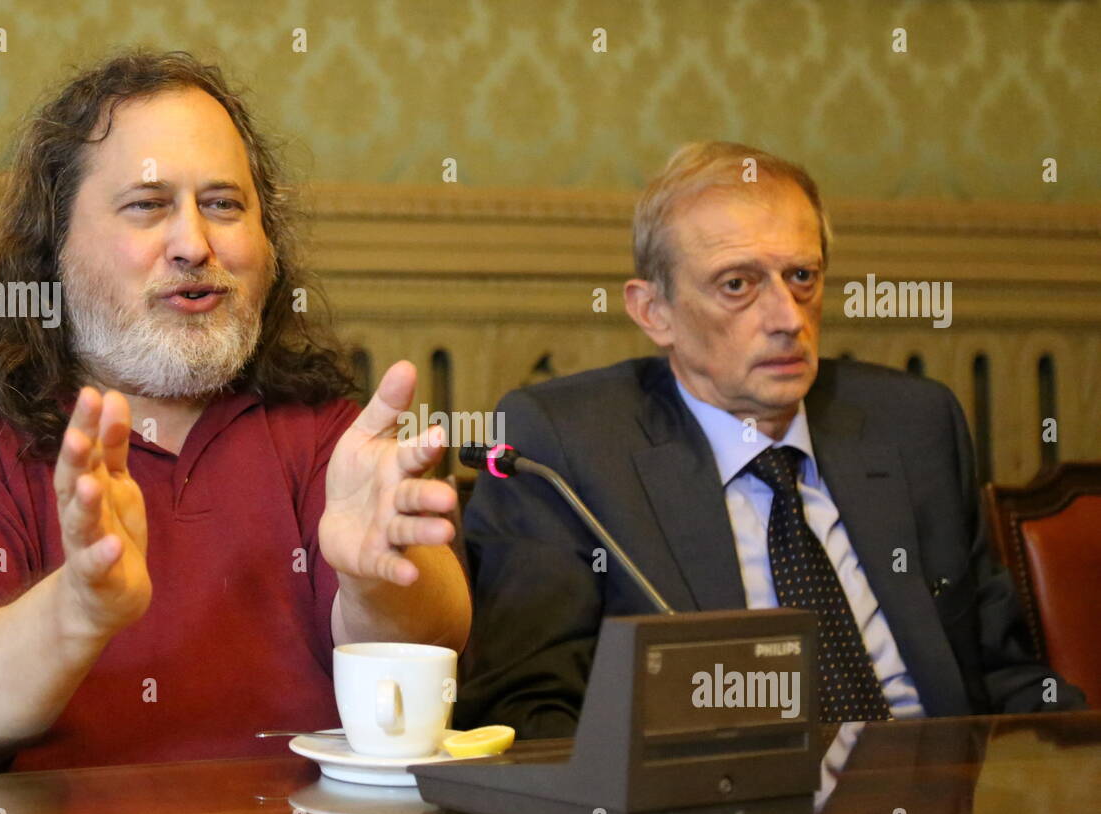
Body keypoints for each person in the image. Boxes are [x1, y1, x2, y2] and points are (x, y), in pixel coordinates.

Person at [0, 50, 471, 771]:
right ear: (56, 250)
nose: (193, 245)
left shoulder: (327, 429)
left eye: (223, 205)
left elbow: (437, 638)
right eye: (147, 206)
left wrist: (380, 575)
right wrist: (79, 608)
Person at [455, 141, 1085, 739]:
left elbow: (1003, 675)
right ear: (655, 312)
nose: (787, 319)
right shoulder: (565, 447)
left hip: (939, 807)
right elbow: (529, 713)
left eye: (802, 276)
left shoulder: (914, 426)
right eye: (737, 284)